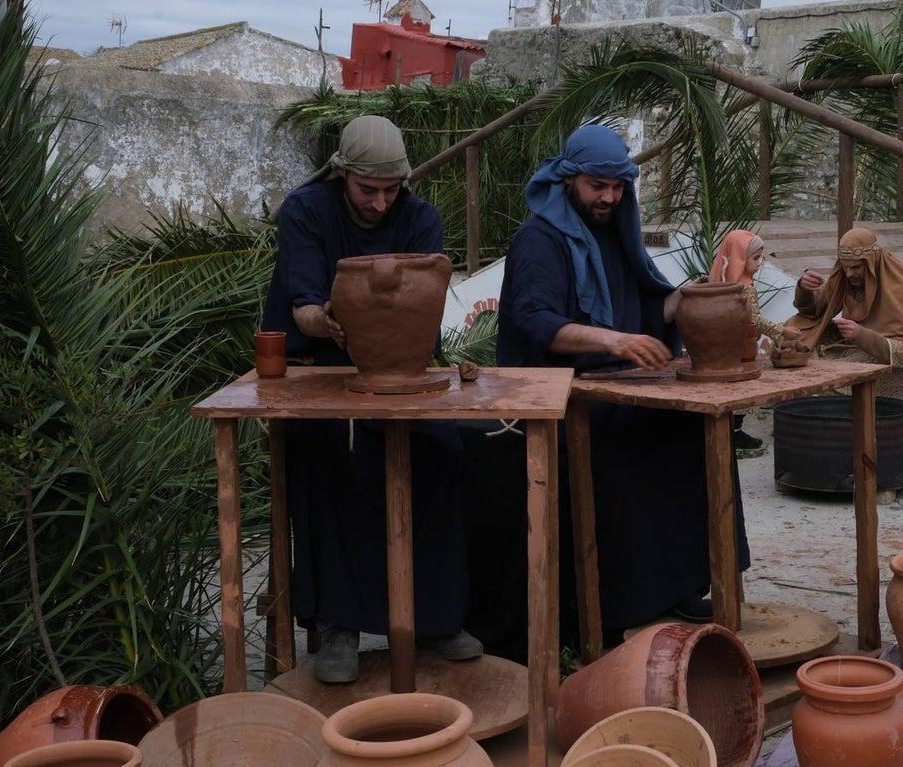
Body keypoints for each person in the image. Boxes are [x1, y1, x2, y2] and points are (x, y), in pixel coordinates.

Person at [497, 123, 750, 639]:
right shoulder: (540, 240)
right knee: (615, 453)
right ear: (570, 179)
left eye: (617, 188)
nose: (609, 197)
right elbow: (536, 321)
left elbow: (647, 305)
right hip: (556, 398)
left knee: (696, 437)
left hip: (617, 389)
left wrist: (692, 297)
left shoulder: (613, 232)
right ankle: (609, 610)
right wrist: (612, 342)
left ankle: (678, 585)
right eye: (597, 186)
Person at [261, 114, 481, 684]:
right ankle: (339, 624)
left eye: (391, 190)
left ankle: (435, 618)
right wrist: (329, 319)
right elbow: (303, 305)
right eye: (368, 191)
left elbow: (425, 304)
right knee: (333, 450)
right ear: (342, 175)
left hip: (405, 371)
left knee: (443, 448)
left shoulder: (420, 218)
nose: (382, 204)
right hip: (324, 364)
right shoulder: (306, 211)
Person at [785, 226, 903, 398]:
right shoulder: (849, 278)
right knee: (791, 333)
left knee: (826, 381)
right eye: (845, 268)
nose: (848, 274)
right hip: (855, 346)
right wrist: (804, 288)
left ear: (871, 263)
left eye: (855, 268)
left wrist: (862, 335)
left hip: (892, 363)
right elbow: (814, 312)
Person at [709, 229, 803, 448]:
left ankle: (729, 430)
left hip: (720, 348)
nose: (760, 263)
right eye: (755, 257)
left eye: (761, 257)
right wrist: (781, 331)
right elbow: (754, 320)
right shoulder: (745, 289)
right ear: (740, 258)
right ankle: (735, 432)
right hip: (741, 347)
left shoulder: (717, 281)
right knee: (742, 387)